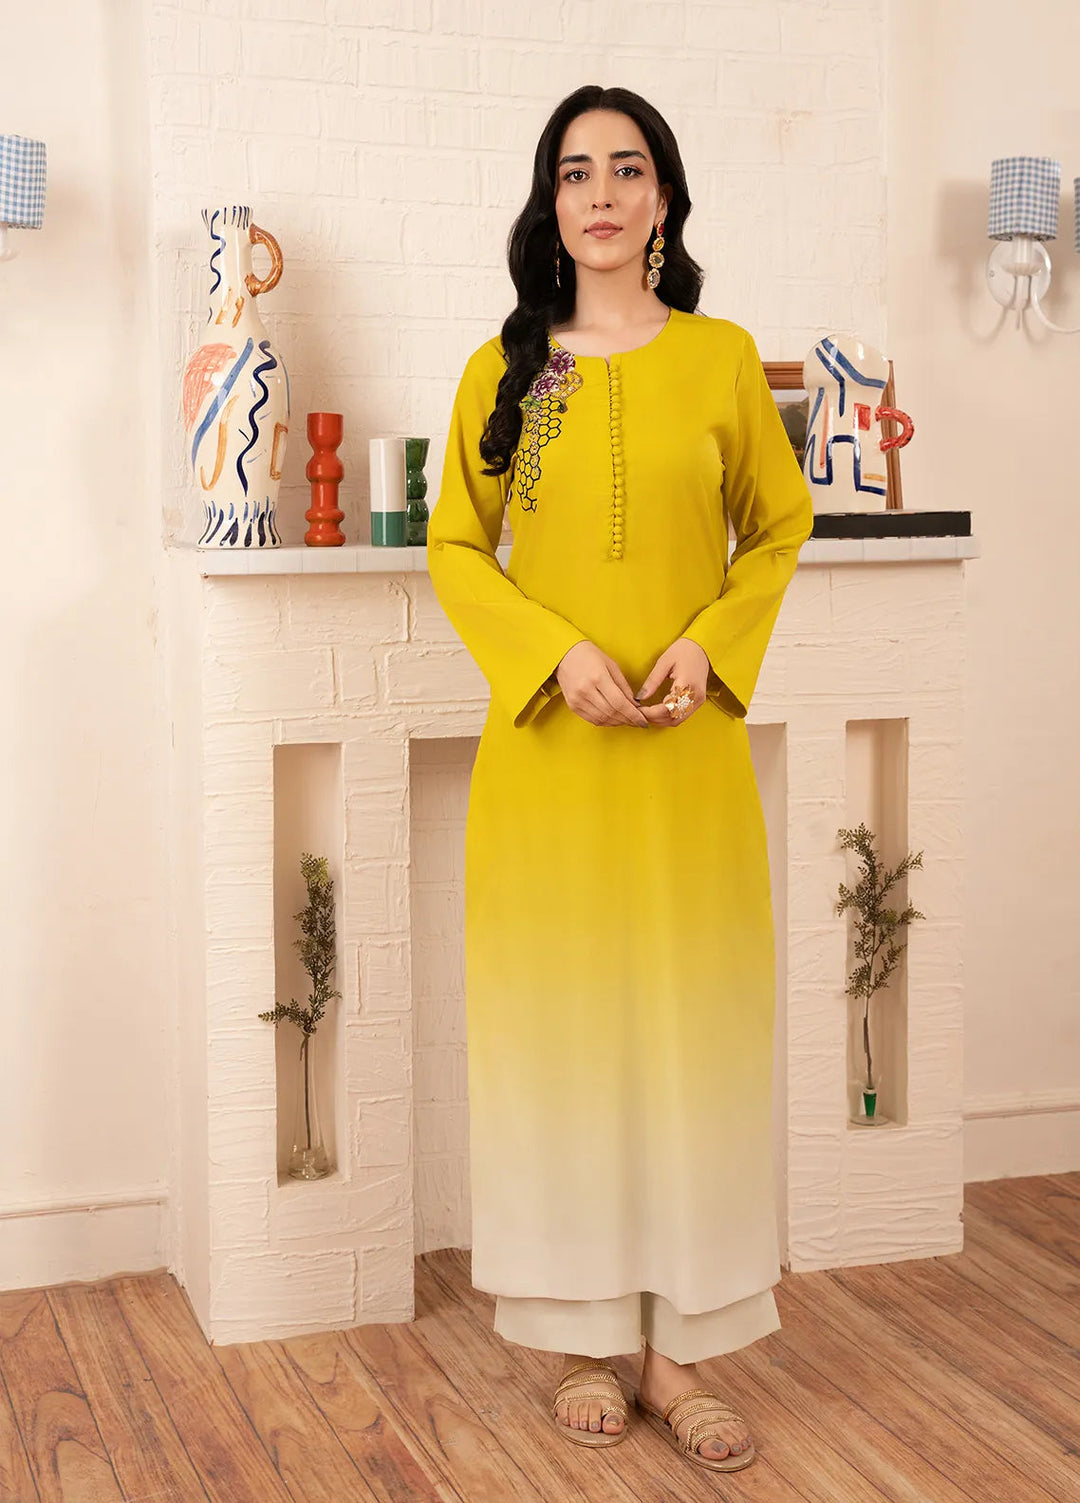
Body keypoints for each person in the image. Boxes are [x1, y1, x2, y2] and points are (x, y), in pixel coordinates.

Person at [426, 83, 814, 1476]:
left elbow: (780, 528)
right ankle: (585, 1341)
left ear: (663, 199)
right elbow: (455, 547)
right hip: (551, 764)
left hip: (686, 763)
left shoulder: (722, 360)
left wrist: (712, 645)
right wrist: (553, 652)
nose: (602, 192)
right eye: (577, 171)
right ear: (553, 204)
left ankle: (680, 1354)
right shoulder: (509, 369)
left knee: (692, 1043)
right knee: (568, 1044)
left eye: (628, 168)